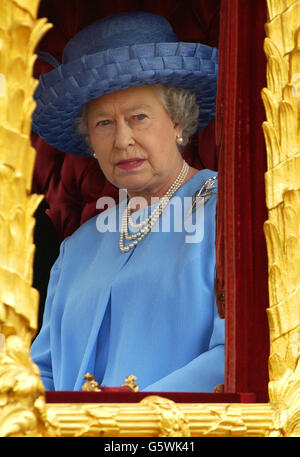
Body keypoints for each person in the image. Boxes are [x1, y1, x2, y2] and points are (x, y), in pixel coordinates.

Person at [31, 11, 224, 392]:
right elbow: (43, 373)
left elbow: (234, 355)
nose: (122, 140)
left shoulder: (226, 214)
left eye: (138, 117)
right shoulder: (77, 249)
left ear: (178, 122)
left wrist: (127, 419)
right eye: (103, 123)